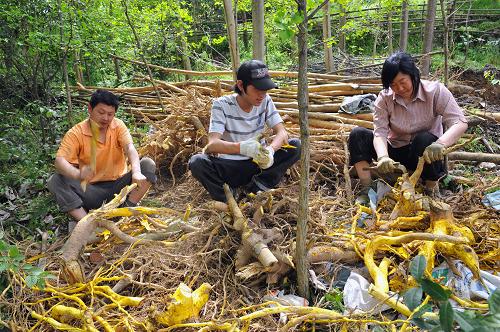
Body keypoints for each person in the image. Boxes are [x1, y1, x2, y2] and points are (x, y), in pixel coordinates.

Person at [348, 51, 468, 203]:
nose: (399, 88)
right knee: (357, 134)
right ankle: (366, 188)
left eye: (402, 81)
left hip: (426, 155)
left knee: (424, 139)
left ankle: (431, 189)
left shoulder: (436, 91)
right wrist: (383, 156)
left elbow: (460, 122)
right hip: (396, 152)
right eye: (393, 85)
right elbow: (380, 132)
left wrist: (441, 143)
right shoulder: (384, 98)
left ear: (413, 74)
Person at [188, 59, 301, 202]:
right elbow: (212, 145)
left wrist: (271, 151)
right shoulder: (222, 105)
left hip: (258, 164)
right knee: (197, 162)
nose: (262, 95)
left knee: (296, 145)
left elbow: (282, 132)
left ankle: (258, 185)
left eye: (265, 90)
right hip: (230, 167)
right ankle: (228, 197)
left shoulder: (265, 101)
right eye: (257, 89)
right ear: (241, 85)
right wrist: (242, 148)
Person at [47, 89, 156, 227]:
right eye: (101, 112)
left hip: (119, 187)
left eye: (110, 114)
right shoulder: (76, 133)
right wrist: (78, 174)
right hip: (90, 191)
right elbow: (59, 161)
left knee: (147, 164)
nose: (105, 118)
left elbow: (130, 148)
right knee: (55, 180)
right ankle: (88, 224)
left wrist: (136, 172)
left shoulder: (118, 125)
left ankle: (126, 212)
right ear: (90, 109)